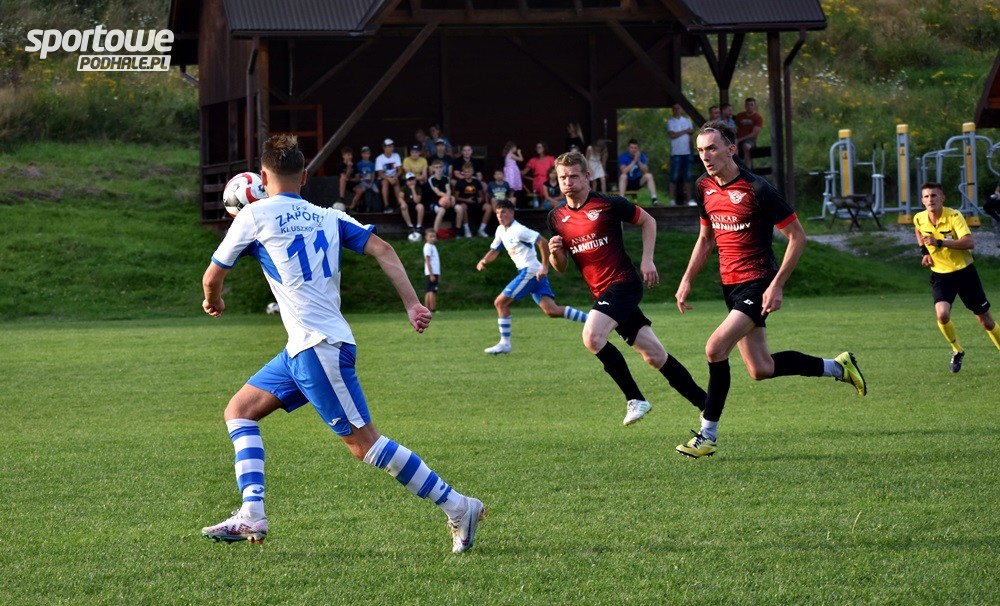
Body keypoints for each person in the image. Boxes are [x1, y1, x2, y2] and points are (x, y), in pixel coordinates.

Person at [200, 134, 485, 553]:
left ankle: (460, 506)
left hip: (319, 349)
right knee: (240, 411)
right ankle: (251, 512)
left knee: (365, 445)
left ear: (262, 176)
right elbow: (383, 249)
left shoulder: (253, 215)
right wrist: (412, 304)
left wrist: (214, 300)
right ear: (305, 176)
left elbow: (212, 276)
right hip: (305, 348)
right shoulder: (328, 216)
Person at [672, 121, 867, 459]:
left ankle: (707, 436)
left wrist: (776, 285)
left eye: (712, 148)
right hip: (731, 286)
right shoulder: (703, 186)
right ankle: (838, 367)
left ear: (731, 149)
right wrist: (687, 278)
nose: (706, 156)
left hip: (758, 281)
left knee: (715, 348)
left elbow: (798, 237)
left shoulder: (758, 189)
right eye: (701, 150)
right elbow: (705, 239)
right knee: (760, 368)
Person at [547, 151, 707, 426]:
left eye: (573, 176)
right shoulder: (556, 217)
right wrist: (554, 254)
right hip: (603, 294)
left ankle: (635, 398)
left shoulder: (608, 204)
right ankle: (707, 405)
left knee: (592, 337)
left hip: (624, 283)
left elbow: (648, 221)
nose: (568, 182)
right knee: (655, 355)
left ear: (586, 176)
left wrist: (647, 260)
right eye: (563, 178)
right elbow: (560, 267)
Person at [477, 199, 588, 354]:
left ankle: (505, 344)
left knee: (500, 303)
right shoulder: (500, 230)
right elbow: (495, 250)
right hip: (533, 273)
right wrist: (484, 260)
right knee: (552, 310)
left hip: (530, 271)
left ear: (512, 213)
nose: (500, 215)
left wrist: (545, 267)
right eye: (497, 213)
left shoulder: (519, 230)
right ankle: (592, 320)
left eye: (504, 212)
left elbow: (543, 242)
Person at [913, 181, 1000, 372]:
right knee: (942, 315)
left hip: (964, 273)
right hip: (941, 275)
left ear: (942, 198)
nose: (930, 199)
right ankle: (957, 350)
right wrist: (924, 252)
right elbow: (918, 230)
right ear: (922, 200)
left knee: (985, 321)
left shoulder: (954, 216)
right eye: (926, 196)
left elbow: (969, 243)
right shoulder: (919, 218)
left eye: (934, 195)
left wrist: (940, 242)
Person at [428, 159, 465, 236]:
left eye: (440, 167)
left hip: (447, 200)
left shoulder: (446, 178)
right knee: (442, 211)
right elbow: (438, 192)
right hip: (435, 202)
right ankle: (435, 234)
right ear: (433, 169)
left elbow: (448, 189)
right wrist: (449, 197)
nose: (439, 169)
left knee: (459, 208)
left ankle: (458, 231)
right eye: (436, 167)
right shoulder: (431, 179)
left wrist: (448, 198)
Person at [667, 103, 694, 206]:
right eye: (675, 108)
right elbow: (672, 135)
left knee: (687, 177)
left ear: (681, 109)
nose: (677, 110)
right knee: (673, 177)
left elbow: (690, 137)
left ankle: (689, 199)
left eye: (678, 108)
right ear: (672, 110)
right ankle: (672, 200)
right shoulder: (670, 121)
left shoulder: (687, 121)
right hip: (676, 153)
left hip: (687, 153)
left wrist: (692, 150)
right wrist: (686, 131)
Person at [617, 139, 659, 205]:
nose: (633, 150)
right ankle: (622, 200)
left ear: (638, 149)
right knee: (623, 176)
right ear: (628, 148)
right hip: (627, 182)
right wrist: (634, 161)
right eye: (632, 148)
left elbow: (645, 171)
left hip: (637, 181)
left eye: (635, 148)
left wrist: (639, 161)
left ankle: (654, 199)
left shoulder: (642, 156)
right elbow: (624, 171)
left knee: (649, 175)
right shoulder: (623, 157)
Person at [455, 163, 490, 237]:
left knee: (488, 207)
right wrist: (466, 200)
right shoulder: (460, 182)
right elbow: (456, 197)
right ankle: (467, 230)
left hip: (475, 202)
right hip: (465, 202)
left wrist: (480, 199)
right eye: (465, 172)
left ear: (472, 172)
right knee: (463, 207)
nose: (467, 173)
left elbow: (481, 195)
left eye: (469, 172)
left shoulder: (476, 182)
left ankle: (481, 230)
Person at [523, 141, 555, 207]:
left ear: (544, 148)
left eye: (539, 147)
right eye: (537, 148)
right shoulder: (533, 160)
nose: (537, 149)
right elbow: (523, 173)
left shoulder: (550, 159)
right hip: (537, 182)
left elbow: (556, 171)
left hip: (548, 181)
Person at [375, 138, 402, 213]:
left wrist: (395, 177)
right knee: (385, 182)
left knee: (396, 181)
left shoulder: (396, 155)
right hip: (383, 178)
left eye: (392, 146)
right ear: (384, 148)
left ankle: (400, 204)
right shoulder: (379, 158)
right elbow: (380, 174)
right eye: (389, 146)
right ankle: (386, 206)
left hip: (394, 176)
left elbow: (400, 170)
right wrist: (389, 179)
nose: (392, 148)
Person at [734, 97, 763, 167]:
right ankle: (735, 168)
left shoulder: (758, 118)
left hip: (749, 140)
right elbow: (734, 128)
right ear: (745, 106)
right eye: (748, 105)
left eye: (751, 105)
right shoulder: (739, 116)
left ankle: (747, 169)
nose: (749, 107)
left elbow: (754, 134)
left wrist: (739, 140)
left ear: (754, 106)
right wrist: (735, 139)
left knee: (746, 147)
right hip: (737, 138)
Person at [350, 145, 377, 212]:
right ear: (361, 154)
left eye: (367, 153)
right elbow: (358, 176)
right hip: (362, 183)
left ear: (370, 154)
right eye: (364, 153)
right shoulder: (359, 164)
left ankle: (374, 208)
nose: (366, 155)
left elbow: (373, 175)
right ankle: (356, 207)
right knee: (361, 191)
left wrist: (371, 184)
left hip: (370, 182)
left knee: (377, 191)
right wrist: (364, 183)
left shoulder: (372, 164)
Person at [398, 172, 425, 239]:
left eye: (413, 180)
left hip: (415, 205)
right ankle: (410, 226)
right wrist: (403, 203)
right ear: (406, 181)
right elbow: (400, 198)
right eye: (410, 180)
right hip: (407, 205)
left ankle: (419, 226)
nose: (412, 182)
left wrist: (413, 189)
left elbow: (417, 201)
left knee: (420, 206)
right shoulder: (404, 188)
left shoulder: (418, 189)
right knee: (403, 206)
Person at [423, 228, 440, 313]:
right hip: (432, 272)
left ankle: (427, 309)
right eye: (431, 236)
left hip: (435, 272)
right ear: (426, 237)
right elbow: (428, 260)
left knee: (429, 290)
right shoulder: (428, 247)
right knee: (432, 291)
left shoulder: (433, 246)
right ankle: (432, 308)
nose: (433, 238)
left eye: (434, 236)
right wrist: (431, 274)